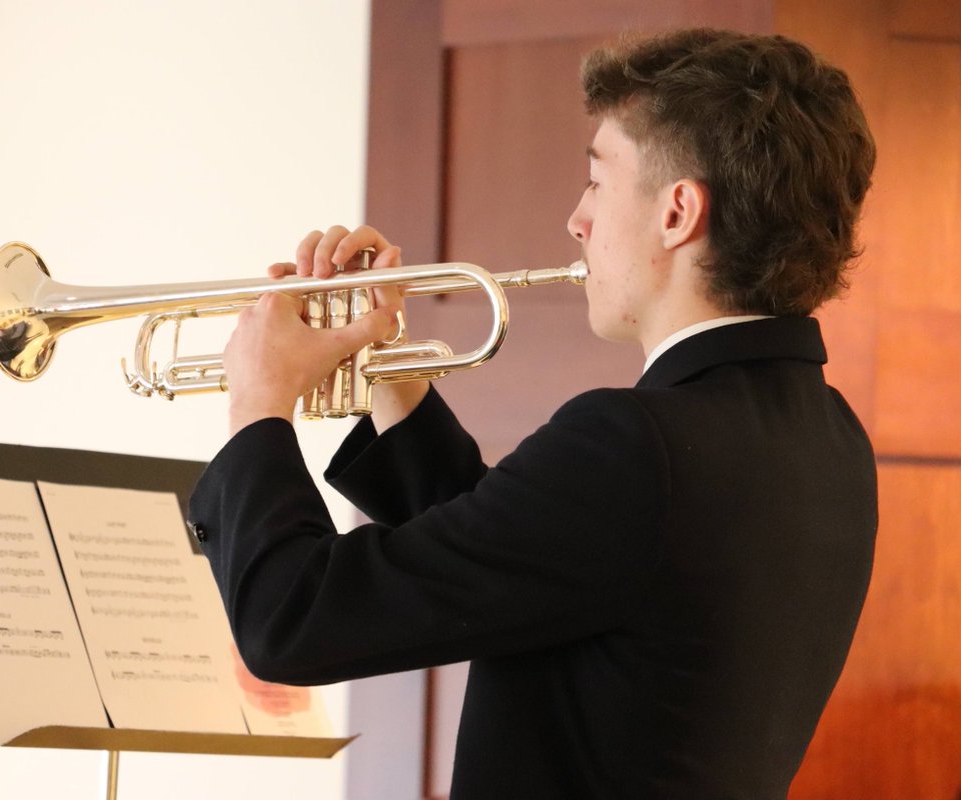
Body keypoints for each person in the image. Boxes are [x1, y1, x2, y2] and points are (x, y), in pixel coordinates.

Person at [188, 28, 878, 798]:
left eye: (597, 182)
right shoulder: (829, 435)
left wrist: (259, 403)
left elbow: (293, 620)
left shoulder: (636, 444)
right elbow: (527, 557)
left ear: (678, 211)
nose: (576, 222)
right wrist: (388, 370)